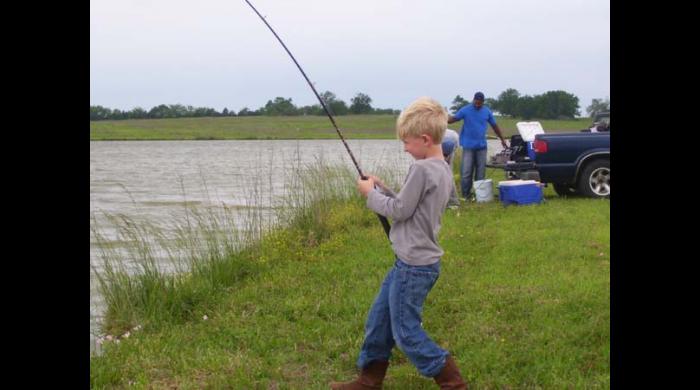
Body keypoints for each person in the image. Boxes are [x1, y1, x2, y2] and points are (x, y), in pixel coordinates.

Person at [330, 97, 467, 390]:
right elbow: (409, 204)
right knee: (379, 321)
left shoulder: (420, 169)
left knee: (405, 331)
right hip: (413, 262)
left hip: (414, 265)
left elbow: (399, 211)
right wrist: (381, 188)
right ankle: (369, 380)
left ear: (425, 138)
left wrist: (369, 194)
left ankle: (452, 381)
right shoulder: (440, 166)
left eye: (406, 142)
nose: (404, 147)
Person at [448, 92, 508, 199]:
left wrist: (502, 139)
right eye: (476, 103)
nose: (477, 105)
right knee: (466, 172)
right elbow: (453, 120)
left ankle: (479, 196)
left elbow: (495, 126)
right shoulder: (465, 110)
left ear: (483, 102)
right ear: (473, 100)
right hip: (468, 146)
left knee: (480, 173)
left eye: (479, 104)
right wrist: (440, 118)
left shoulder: (487, 112)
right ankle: (466, 195)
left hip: (481, 147)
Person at [442, 128, 460, 208]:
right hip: (450, 142)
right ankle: (452, 201)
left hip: (446, 142)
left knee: (447, 174)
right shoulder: (453, 134)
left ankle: (452, 201)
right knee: (448, 174)